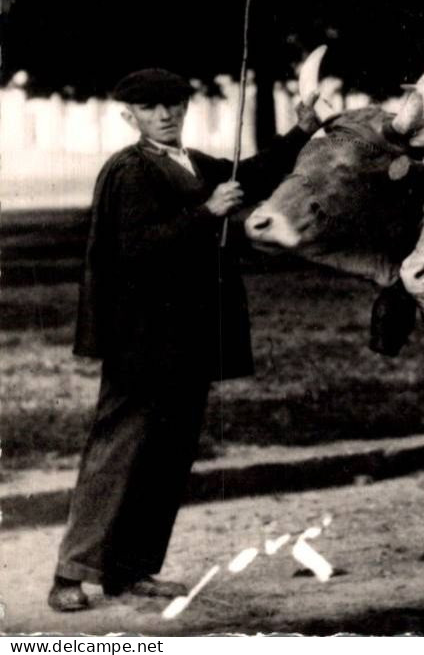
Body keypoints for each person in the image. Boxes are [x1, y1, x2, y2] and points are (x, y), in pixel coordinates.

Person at [48, 68, 320, 613]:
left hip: (188, 338)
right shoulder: (128, 171)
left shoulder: (194, 162)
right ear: (130, 117)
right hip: (140, 339)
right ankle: (69, 575)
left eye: (173, 104)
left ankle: (131, 570)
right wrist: (206, 213)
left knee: (166, 456)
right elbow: (135, 250)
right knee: (119, 451)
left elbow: (255, 173)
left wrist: (301, 130)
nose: (166, 115)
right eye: (151, 108)